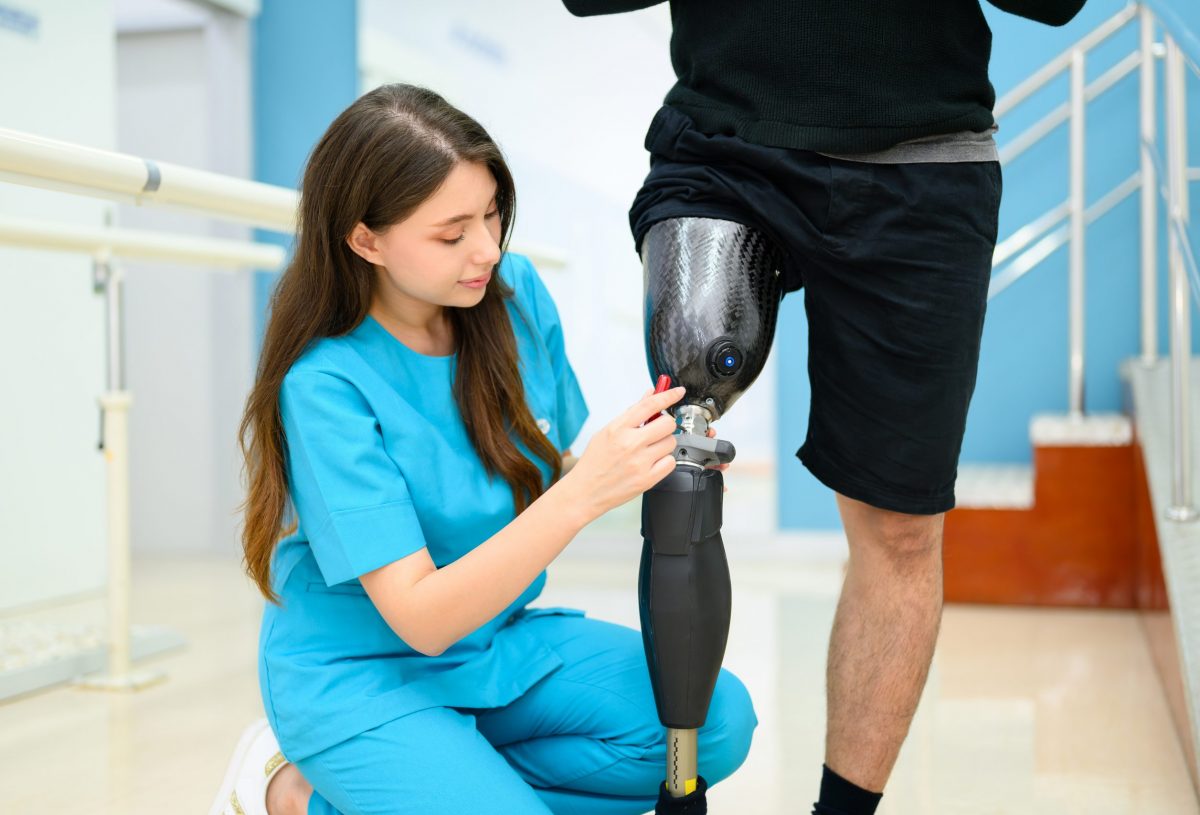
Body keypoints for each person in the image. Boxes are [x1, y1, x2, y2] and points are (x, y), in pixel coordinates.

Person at [561, 2, 1089, 814]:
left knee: (901, 527)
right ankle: (679, 790)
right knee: (689, 422)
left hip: (925, 163)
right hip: (728, 141)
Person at [208, 83, 756, 815]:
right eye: (452, 231)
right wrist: (586, 489)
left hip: (492, 645)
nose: (488, 248)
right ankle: (293, 787)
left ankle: (432, 776)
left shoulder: (513, 293)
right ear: (365, 238)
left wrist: (644, 454)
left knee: (715, 723)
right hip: (364, 673)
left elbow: (547, 469)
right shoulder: (325, 385)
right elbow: (423, 616)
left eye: (493, 213)